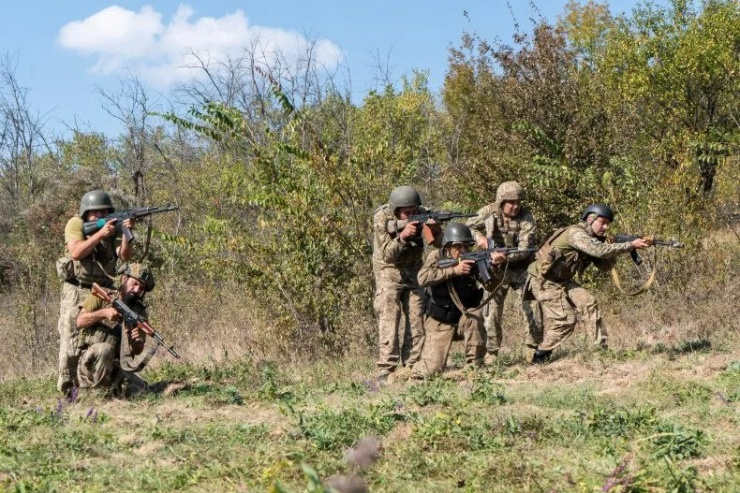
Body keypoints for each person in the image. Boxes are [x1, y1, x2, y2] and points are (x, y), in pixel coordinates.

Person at [526, 204, 650, 363]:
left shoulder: (592, 239)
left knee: (588, 302)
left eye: (608, 224)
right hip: (543, 280)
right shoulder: (576, 233)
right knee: (566, 321)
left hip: (562, 280)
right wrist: (629, 245)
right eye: (602, 222)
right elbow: (600, 251)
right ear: (590, 219)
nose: (605, 227)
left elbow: (605, 266)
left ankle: (602, 351)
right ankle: (540, 356)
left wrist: (613, 244)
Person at [56, 190, 135, 394]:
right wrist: (100, 233)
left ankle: (105, 383)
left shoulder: (115, 227)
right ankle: (68, 388)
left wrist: (126, 233)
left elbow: (124, 256)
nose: (99, 216)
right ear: (86, 213)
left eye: (104, 212)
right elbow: (76, 252)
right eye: (95, 213)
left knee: (107, 337)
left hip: (103, 291)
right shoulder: (75, 224)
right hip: (77, 290)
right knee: (72, 340)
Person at [372, 185, 442, 381]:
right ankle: (386, 368)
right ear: (396, 211)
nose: (411, 215)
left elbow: (439, 243)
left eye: (414, 211)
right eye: (406, 213)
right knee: (389, 316)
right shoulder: (382, 218)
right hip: (388, 270)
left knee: (416, 315)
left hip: (414, 270)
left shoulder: (424, 214)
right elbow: (387, 254)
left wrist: (435, 230)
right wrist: (403, 237)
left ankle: (412, 365)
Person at [467, 181, 543, 361]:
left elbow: (525, 249)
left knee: (532, 307)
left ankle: (532, 350)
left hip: (520, 268)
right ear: (501, 201)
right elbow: (467, 226)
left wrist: (506, 257)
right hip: (495, 270)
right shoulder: (488, 212)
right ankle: (491, 353)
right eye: (511, 202)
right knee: (491, 310)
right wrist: (479, 238)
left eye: (518, 202)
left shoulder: (527, 218)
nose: (516, 206)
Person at [412, 223, 498, 378]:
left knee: (474, 314)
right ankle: (406, 372)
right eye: (458, 247)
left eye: (467, 246)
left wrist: (494, 266)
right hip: (440, 320)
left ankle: (475, 366)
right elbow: (422, 278)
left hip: (464, 319)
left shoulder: (474, 261)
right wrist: (454, 271)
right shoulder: (436, 257)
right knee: (430, 372)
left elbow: (491, 286)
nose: (463, 251)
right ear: (447, 246)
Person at [76, 263, 154, 392]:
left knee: (143, 391)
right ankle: (99, 396)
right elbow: (80, 321)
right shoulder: (102, 295)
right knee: (105, 349)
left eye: (141, 288)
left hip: (117, 366)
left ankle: (112, 391)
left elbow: (137, 350)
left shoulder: (139, 313)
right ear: (124, 279)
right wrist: (103, 313)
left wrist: (136, 341)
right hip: (90, 363)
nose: (136, 290)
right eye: (134, 283)